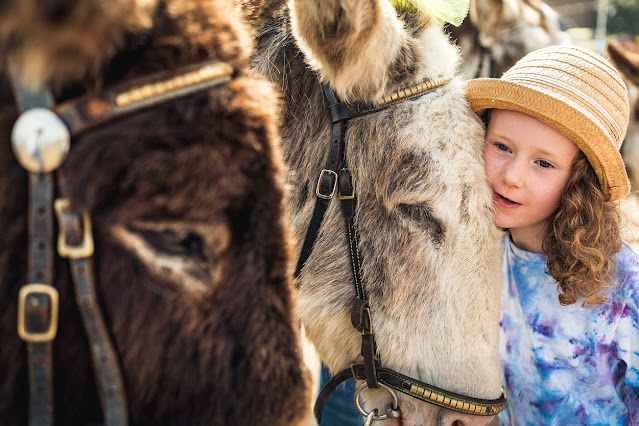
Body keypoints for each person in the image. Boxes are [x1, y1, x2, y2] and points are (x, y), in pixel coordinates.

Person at [466, 45, 639, 424]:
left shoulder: (624, 286)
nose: (512, 176)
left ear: (581, 181)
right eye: (501, 146)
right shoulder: (476, 254)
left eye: (544, 162)